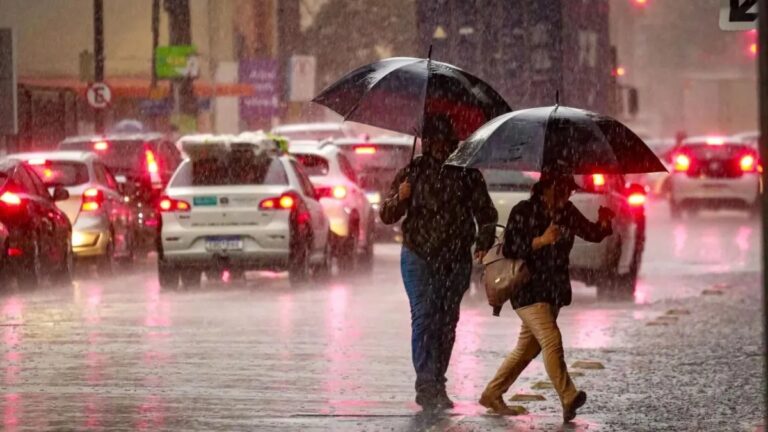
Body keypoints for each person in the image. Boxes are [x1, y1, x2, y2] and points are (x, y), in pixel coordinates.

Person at [380, 115, 498, 410]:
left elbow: (486, 214)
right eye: (433, 141)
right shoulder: (413, 172)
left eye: (444, 141)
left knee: (446, 322)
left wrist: (483, 242)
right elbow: (387, 214)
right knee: (424, 315)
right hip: (417, 255)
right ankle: (425, 383)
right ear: (426, 142)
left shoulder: (468, 175)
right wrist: (401, 197)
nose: (439, 147)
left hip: (455, 259)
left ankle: (437, 381)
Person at [478, 172, 614, 422]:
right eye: (563, 189)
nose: (567, 195)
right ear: (548, 187)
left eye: (570, 191)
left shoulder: (566, 211)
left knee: (526, 349)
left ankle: (492, 393)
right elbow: (511, 248)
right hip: (528, 289)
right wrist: (541, 241)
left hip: (553, 290)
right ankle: (568, 396)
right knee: (551, 339)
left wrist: (604, 223)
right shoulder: (524, 210)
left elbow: (591, 233)